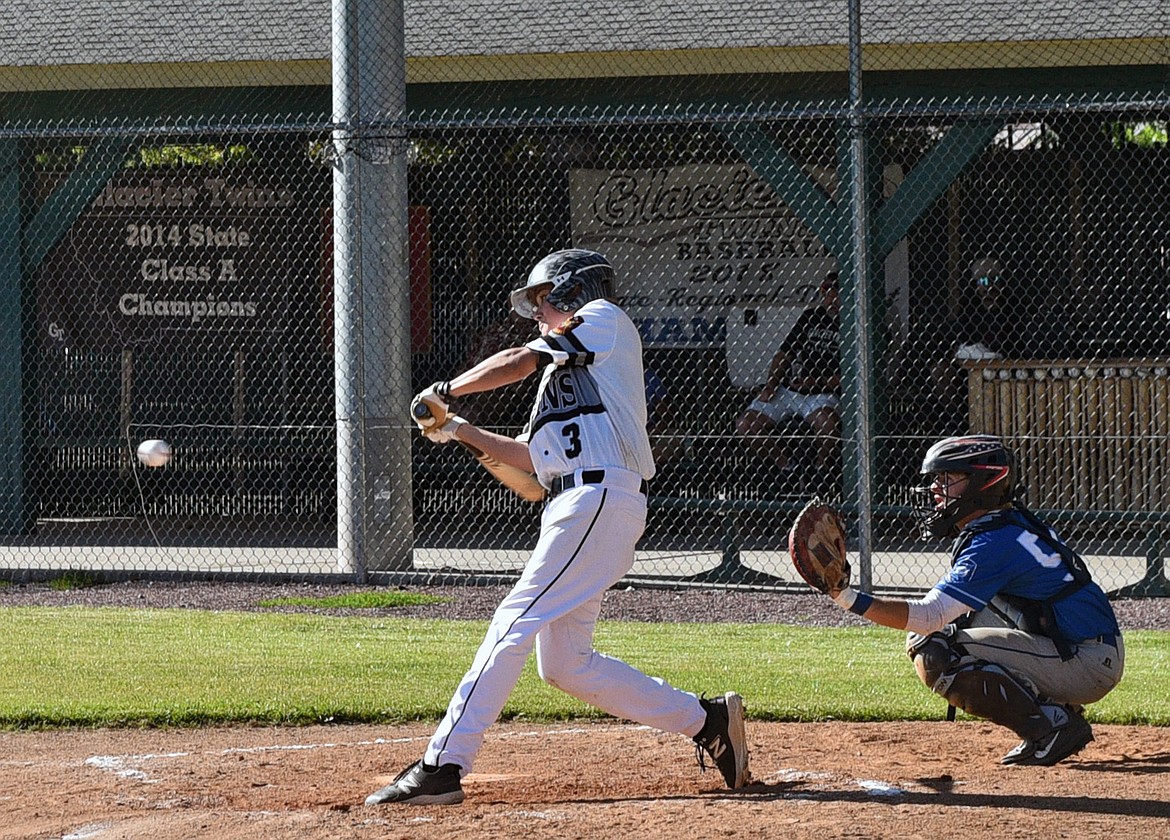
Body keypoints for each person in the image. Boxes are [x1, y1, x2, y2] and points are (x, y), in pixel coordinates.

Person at [365, 249, 749, 806]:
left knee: (513, 619)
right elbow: (528, 459)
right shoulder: (559, 379)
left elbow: (518, 358)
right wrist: (457, 430)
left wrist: (446, 391)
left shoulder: (603, 319)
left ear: (571, 291)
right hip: (579, 505)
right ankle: (707, 721)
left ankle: (442, 764)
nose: (539, 313)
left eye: (543, 301)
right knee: (565, 664)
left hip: (599, 497)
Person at [824, 434, 1124, 766]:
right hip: (1085, 650)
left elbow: (929, 616)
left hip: (1085, 661)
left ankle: (1053, 725)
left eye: (947, 479)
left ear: (980, 482)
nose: (937, 491)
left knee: (932, 647)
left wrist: (845, 596)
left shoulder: (994, 542)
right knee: (952, 627)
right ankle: (1054, 710)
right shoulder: (1008, 523)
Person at [735, 271, 841, 471]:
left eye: (836, 292)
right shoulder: (812, 316)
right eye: (827, 292)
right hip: (791, 389)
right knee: (746, 425)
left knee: (826, 424)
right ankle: (787, 467)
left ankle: (819, 469)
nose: (831, 298)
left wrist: (816, 382)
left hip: (823, 393)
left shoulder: (853, 323)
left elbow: (849, 377)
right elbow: (784, 355)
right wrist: (771, 385)